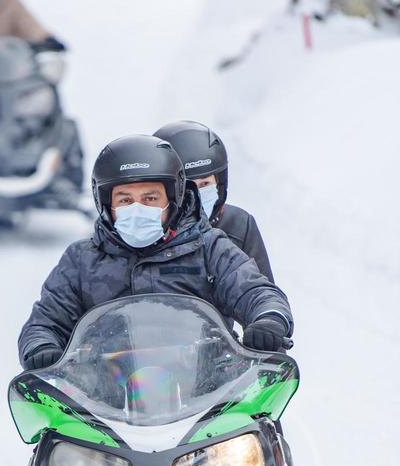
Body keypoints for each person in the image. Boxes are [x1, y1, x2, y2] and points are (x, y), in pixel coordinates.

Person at [18, 135, 292, 370]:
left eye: (150, 198)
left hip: (208, 395)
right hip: (105, 405)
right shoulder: (81, 261)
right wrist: (42, 348)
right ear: (106, 205)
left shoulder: (209, 247)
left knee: (257, 426)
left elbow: (255, 290)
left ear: (173, 199)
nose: (137, 208)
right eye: (125, 200)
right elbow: (44, 323)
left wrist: (269, 319)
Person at [154, 121, 274, 281]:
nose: (196, 194)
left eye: (205, 184)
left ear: (219, 184)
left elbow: (262, 288)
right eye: (188, 186)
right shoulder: (146, 229)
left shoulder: (239, 224)